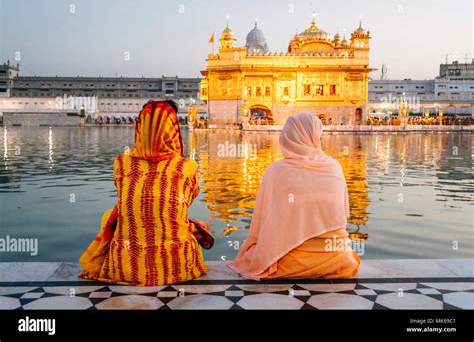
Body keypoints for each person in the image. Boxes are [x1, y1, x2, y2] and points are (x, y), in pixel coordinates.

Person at [79, 100, 209, 286]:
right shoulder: (187, 166)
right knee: (179, 221)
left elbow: (129, 201)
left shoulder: (122, 163)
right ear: (173, 129)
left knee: (112, 215)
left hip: (125, 267)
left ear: (139, 128)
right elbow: (178, 208)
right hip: (178, 267)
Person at [227, 112, 360, 280]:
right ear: (315, 136)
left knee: (258, 255)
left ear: (287, 138)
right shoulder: (334, 167)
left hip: (290, 260)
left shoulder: (276, 171)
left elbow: (265, 223)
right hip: (336, 257)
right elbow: (341, 215)